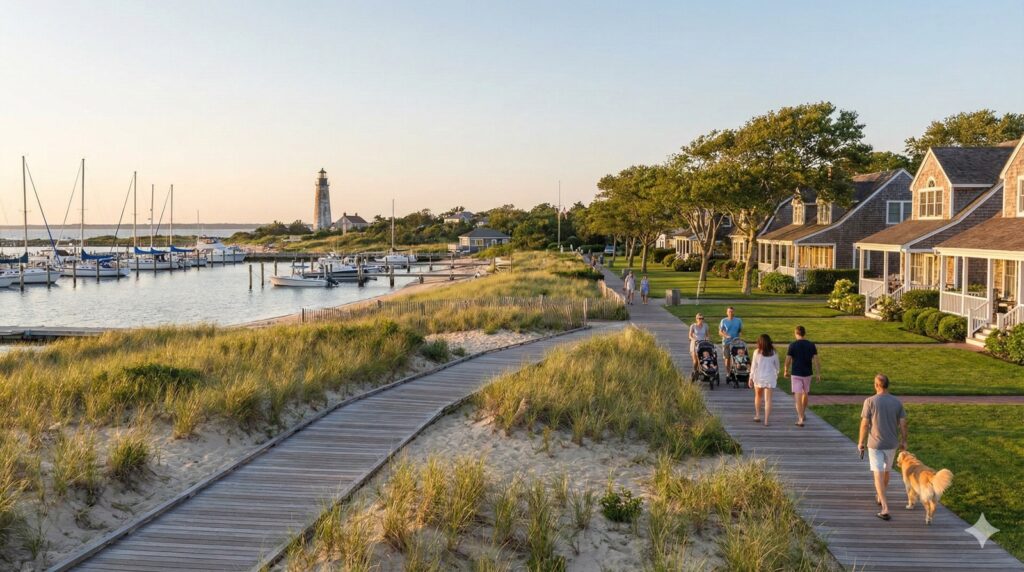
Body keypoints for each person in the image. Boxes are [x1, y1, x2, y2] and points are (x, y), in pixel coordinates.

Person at [857, 374, 908, 521]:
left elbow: (865, 424)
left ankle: (885, 507)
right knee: (886, 472)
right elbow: (904, 423)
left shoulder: (870, 401)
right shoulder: (897, 402)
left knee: (878, 474)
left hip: (875, 444)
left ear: (877, 385)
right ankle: (880, 496)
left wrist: (861, 442)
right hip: (892, 444)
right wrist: (904, 441)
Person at [784, 325, 821, 427]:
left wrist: (785, 370)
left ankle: (800, 419)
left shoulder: (792, 345)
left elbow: (788, 360)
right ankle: (803, 413)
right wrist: (818, 373)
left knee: (797, 397)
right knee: (805, 394)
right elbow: (816, 360)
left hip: (796, 374)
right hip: (808, 373)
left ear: (796, 334)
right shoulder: (811, 345)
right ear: (804, 334)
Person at [749, 334, 779, 426]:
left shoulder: (756, 352)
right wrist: (776, 374)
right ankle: (766, 421)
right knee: (768, 400)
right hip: (770, 378)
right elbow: (777, 366)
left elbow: (753, 367)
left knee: (758, 396)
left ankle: (758, 415)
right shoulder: (774, 353)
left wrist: (750, 378)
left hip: (758, 378)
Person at [719, 307, 744, 381]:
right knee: (727, 358)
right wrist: (726, 336)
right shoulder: (723, 321)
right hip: (726, 342)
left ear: (734, 312)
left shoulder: (738, 320)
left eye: (732, 312)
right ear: (727, 313)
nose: (731, 313)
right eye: (729, 312)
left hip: (736, 342)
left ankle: (737, 371)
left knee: (737, 358)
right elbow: (720, 332)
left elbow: (740, 330)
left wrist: (740, 335)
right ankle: (728, 373)